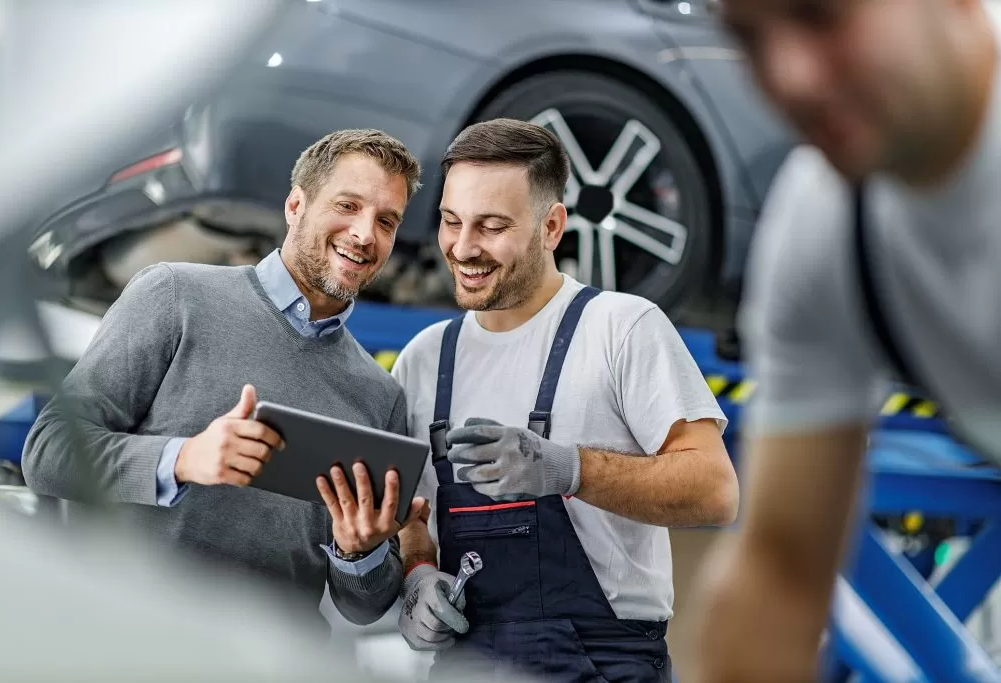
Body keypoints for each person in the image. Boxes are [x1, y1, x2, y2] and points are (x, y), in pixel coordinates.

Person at [685, 0, 1001, 681]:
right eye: (748, 38)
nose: (790, 75)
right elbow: (780, 572)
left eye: (820, 14)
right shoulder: (826, 222)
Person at [21, 128, 426, 629]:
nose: (365, 234)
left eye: (386, 221)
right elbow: (48, 452)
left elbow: (363, 607)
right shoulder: (174, 296)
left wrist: (357, 552)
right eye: (347, 206)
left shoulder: (379, 394)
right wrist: (183, 459)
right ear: (295, 206)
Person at [389, 118, 740, 682]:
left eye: (492, 226)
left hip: (601, 664)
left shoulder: (621, 328)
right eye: (451, 221)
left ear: (551, 226)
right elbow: (412, 516)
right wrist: (417, 573)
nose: (464, 246)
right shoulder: (424, 359)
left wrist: (569, 469)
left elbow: (715, 491)